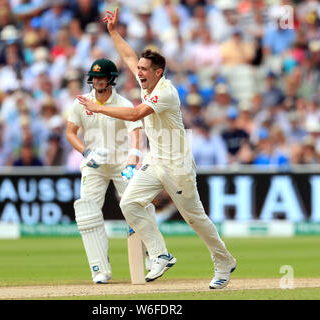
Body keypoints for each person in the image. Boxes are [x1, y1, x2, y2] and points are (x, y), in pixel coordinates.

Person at [76, 8, 237, 289]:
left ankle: (224, 261)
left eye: (143, 70)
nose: (137, 73)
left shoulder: (165, 92)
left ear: (158, 72)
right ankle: (160, 253)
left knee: (195, 218)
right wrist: (113, 31)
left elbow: (136, 115)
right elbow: (127, 55)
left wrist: (99, 109)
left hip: (177, 166)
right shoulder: (146, 82)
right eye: (138, 69)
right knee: (128, 203)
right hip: (156, 160)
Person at [66, 58, 154, 284]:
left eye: (102, 77)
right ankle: (99, 269)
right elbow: (70, 133)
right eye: (94, 77)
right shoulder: (81, 103)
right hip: (94, 165)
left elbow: (136, 131)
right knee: (87, 212)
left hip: (121, 164)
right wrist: (86, 154)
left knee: (139, 205)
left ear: (111, 79)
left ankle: (151, 257)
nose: (97, 81)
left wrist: (133, 159)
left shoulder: (123, 102)